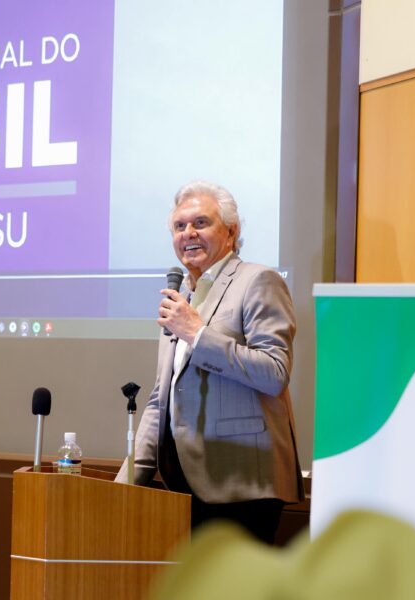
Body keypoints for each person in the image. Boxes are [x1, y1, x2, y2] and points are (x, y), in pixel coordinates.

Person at [116, 180, 305, 544]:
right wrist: (125, 485)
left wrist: (198, 334)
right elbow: (161, 401)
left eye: (201, 223)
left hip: (243, 486)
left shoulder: (258, 280)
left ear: (231, 232)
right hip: (184, 488)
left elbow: (274, 372)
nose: (189, 233)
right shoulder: (182, 298)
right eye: (180, 226)